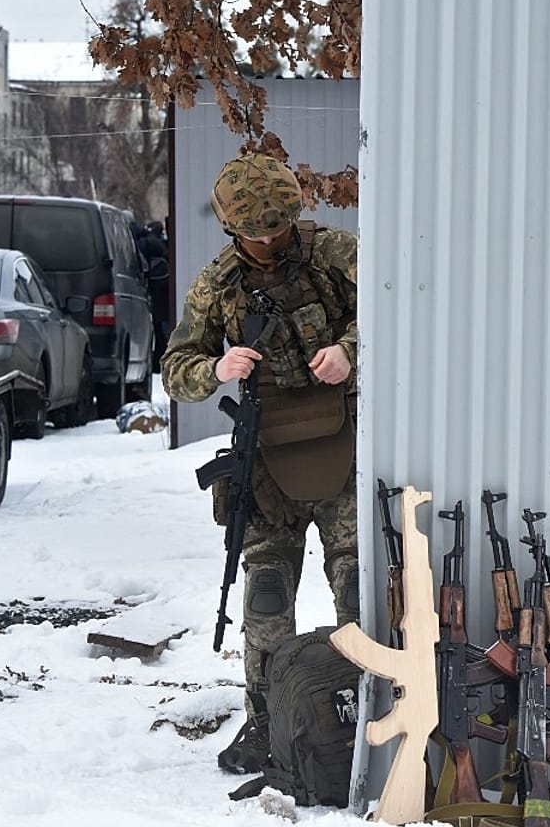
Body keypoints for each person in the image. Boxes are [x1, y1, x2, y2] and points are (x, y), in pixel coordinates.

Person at [161, 153, 360, 775]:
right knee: (267, 594)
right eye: (255, 233)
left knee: (358, 587)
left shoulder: (336, 254)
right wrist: (216, 368)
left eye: (278, 228)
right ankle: (268, 724)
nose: (270, 241)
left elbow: (400, 312)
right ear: (231, 228)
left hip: (344, 446)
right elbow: (176, 370)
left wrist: (350, 349)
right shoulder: (218, 284)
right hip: (266, 457)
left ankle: (375, 714)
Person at [137, 219, 171, 371]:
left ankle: (159, 362)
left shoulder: (144, 244)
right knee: (164, 332)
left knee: (161, 331)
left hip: (156, 297)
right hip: (162, 296)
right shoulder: (160, 247)